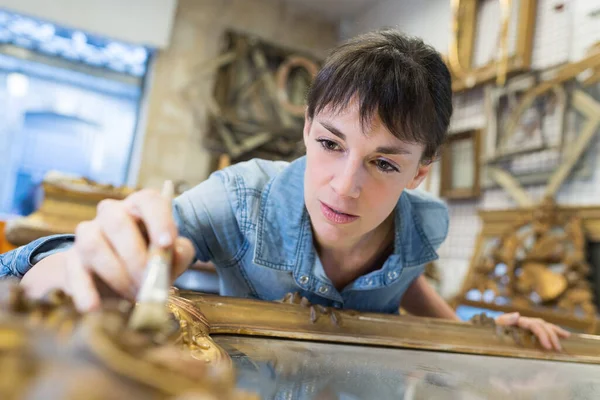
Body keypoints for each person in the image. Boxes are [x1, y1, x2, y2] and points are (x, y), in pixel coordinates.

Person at [0, 29, 569, 350]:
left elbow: (405, 278)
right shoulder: (238, 197)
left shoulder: (421, 221)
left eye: (384, 164)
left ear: (421, 172)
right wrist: (93, 264)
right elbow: (149, 250)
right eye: (329, 144)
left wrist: (486, 336)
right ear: (305, 127)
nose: (345, 187)